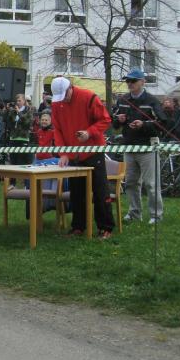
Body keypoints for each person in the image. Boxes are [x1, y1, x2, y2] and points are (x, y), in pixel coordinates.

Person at [50, 76, 114, 238]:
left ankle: (106, 227)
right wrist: (63, 153)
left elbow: (105, 119)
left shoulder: (88, 97)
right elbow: (57, 130)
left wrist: (89, 133)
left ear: (71, 87)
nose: (64, 99)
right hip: (74, 154)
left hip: (93, 151)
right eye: (60, 97)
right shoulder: (56, 104)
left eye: (65, 95)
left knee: (100, 190)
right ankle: (78, 226)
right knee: (76, 192)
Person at [111, 69, 167, 224]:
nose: (130, 84)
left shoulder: (152, 101)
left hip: (147, 147)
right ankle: (134, 213)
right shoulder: (122, 99)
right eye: (128, 81)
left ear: (143, 82)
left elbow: (162, 123)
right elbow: (114, 123)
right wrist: (119, 120)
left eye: (133, 81)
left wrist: (144, 124)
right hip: (129, 147)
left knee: (151, 184)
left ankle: (156, 215)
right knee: (130, 183)